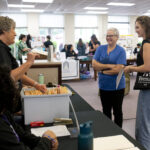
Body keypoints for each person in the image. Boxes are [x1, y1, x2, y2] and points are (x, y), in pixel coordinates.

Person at [0, 66, 58, 150]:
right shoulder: (2, 130)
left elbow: (20, 133)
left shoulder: (4, 112)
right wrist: (46, 141)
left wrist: (42, 141)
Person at [0, 16, 46, 112]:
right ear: (4, 30)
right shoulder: (1, 50)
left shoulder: (4, 49)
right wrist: (29, 62)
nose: (15, 33)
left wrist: (36, 84)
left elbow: (16, 74)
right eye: (13, 29)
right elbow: (8, 78)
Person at [124, 16, 150, 150]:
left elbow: (147, 67)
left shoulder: (146, 43)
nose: (136, 30)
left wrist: (130, 68)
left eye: (137, 27)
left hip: (148, 88)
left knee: (143, 122)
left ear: (145, 27)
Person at [92, 28, 126, 128]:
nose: (108, 38)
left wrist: (102, 70)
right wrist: (110, 66)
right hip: (103, 86)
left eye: (111, 35)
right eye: (107, 35)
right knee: (105, 111)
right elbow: (94, 65)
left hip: (117, 86)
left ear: (117, 37)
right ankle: (108, 130)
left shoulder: (121, 51)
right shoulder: (100, 48)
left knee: (117, 112)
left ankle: (119, 132)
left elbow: (118, 69)